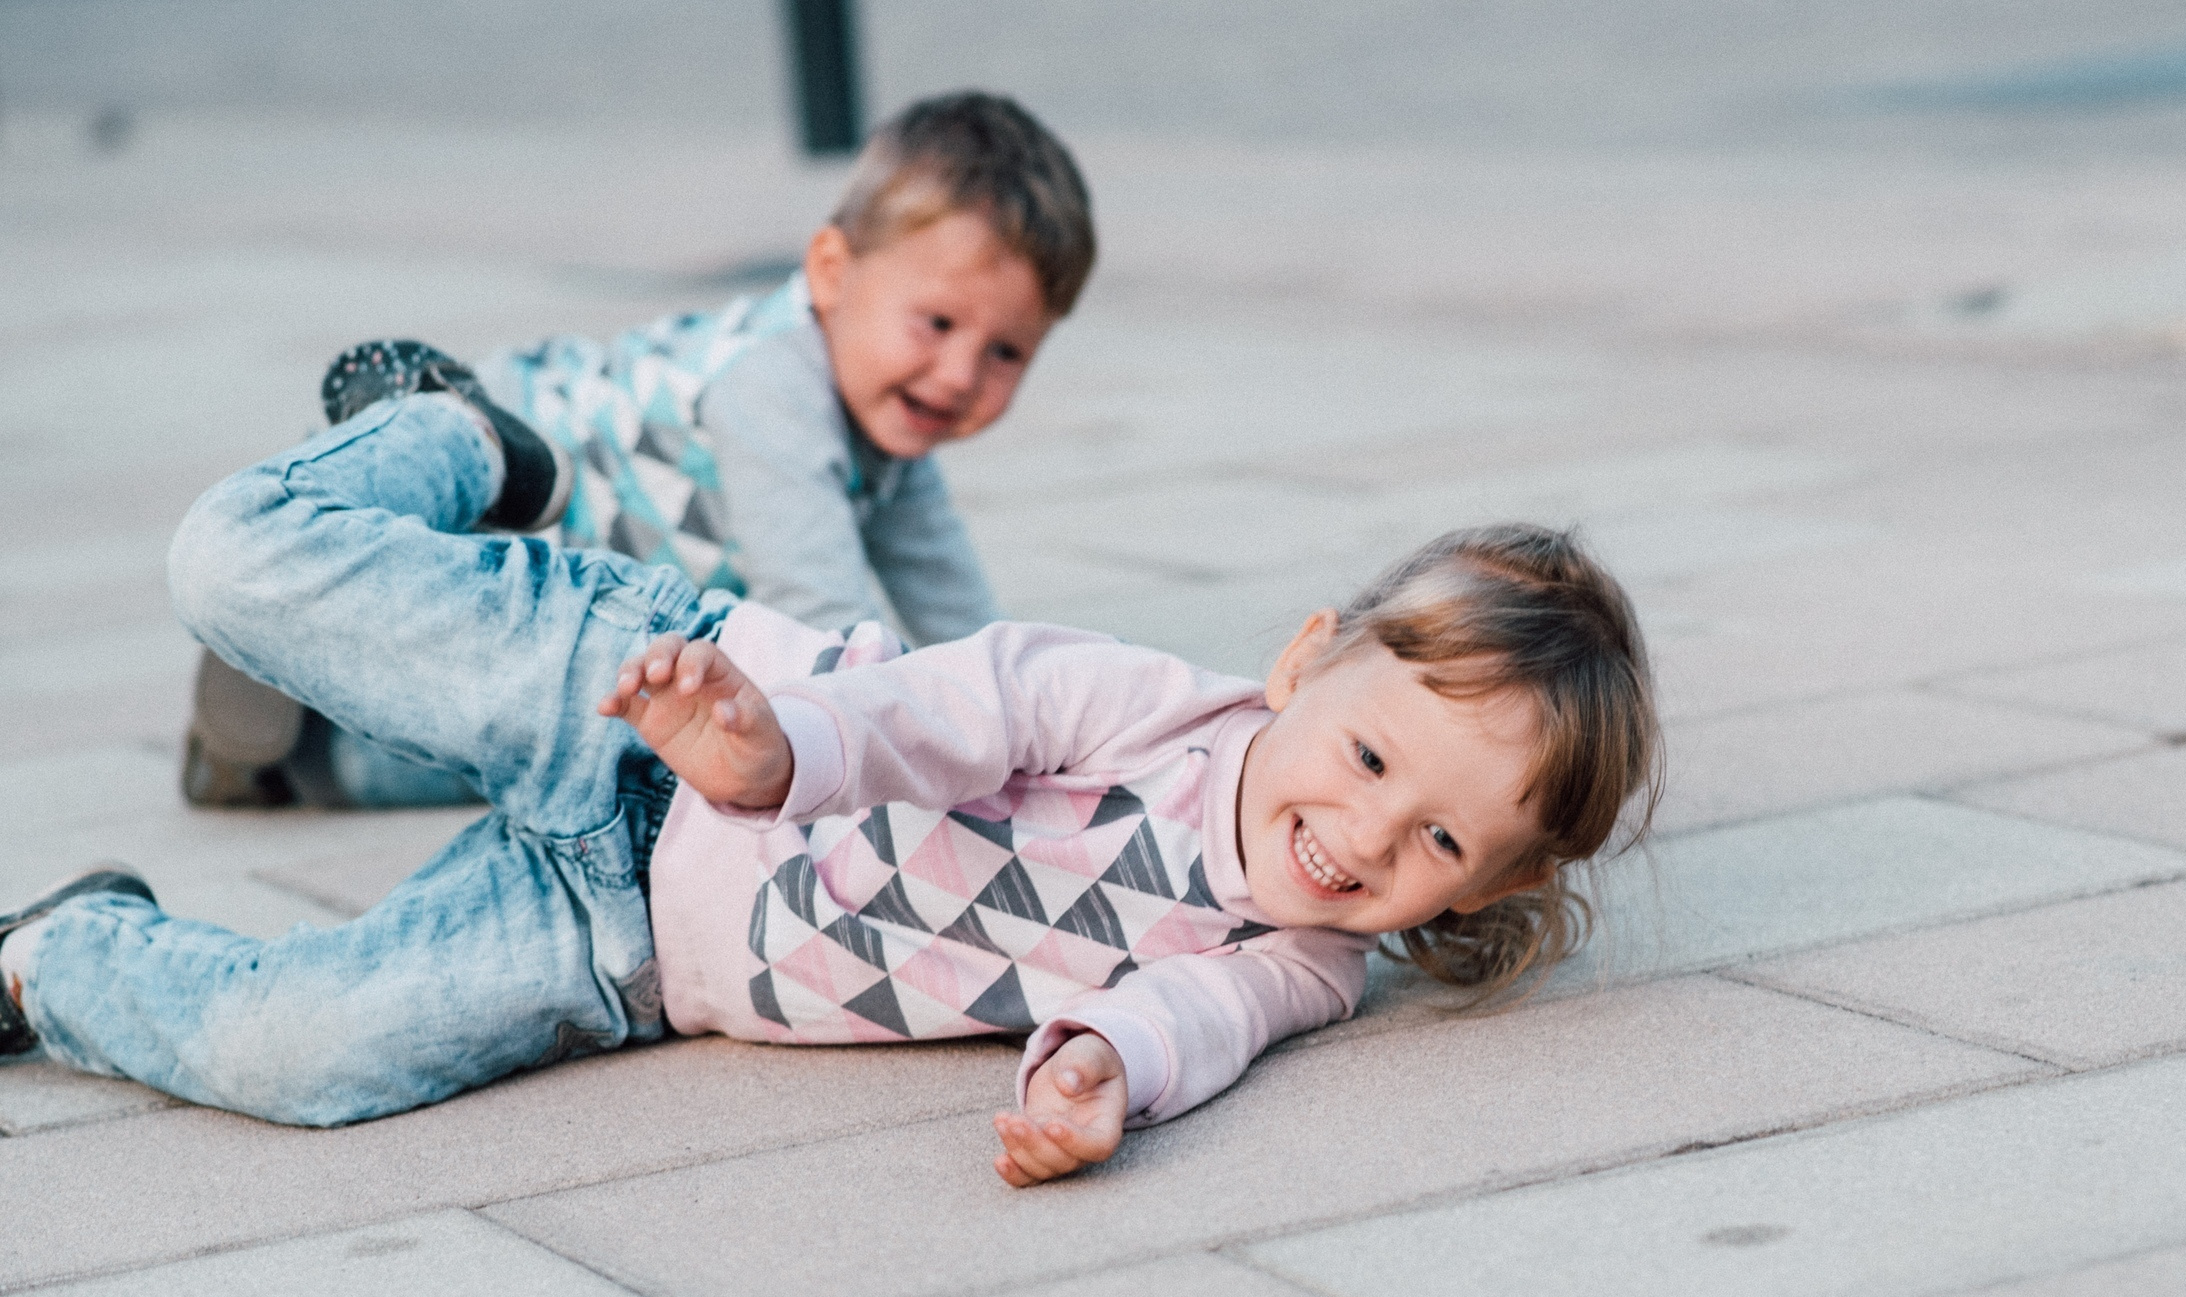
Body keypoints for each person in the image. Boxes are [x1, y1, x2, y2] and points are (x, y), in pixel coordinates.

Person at [3, 388, 1658, 1184]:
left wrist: (1098, 1069)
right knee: (233, 564)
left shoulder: (1296, 960)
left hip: (622, 946)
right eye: (1372, 754)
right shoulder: (1159, 712)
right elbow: (953, 707)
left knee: (299, 1053)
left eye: (1440, 833)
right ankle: (450, 445)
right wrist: (772, 750)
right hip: (668, 701)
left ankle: (52, 955)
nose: (1366, 832)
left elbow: (1194, 1025)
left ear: (1492, 885)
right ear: (1307, 659)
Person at [180, 89, 1094, 811]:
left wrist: (1036, 722)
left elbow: (961, 628)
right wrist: (917, 761)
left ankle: (287, 692)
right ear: (831, 272)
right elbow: (824, 631)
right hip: (499, 519)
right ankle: (301, 748)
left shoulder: (896, 433)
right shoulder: (774, 387)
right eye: (936, 322)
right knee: (580, 753)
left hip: (560, 574)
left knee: (626, 727)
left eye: (1006, 350)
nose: (961, 372)